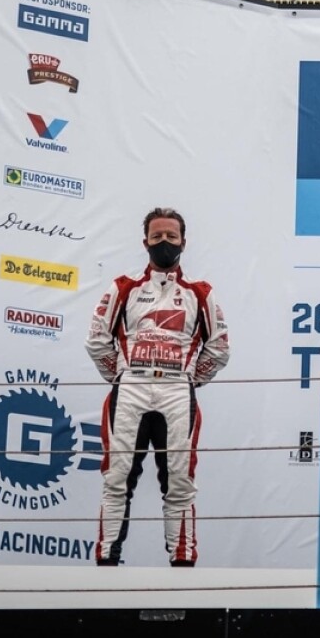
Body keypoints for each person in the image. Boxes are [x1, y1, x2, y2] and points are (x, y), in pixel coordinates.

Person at [86, 207, 231, 566]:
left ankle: (182, 566)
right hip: (130, 391)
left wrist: (189, 378)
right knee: (116, 480)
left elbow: (219, 347)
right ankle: (105, 564)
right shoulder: (123, 287)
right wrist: (122, 375)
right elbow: (97, 339)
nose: (164, 242)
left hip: (177, 393)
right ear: (145, 242)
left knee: (180, 483)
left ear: (183, 242)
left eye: (170, 236)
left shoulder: (200, 292)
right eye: (157, 237)